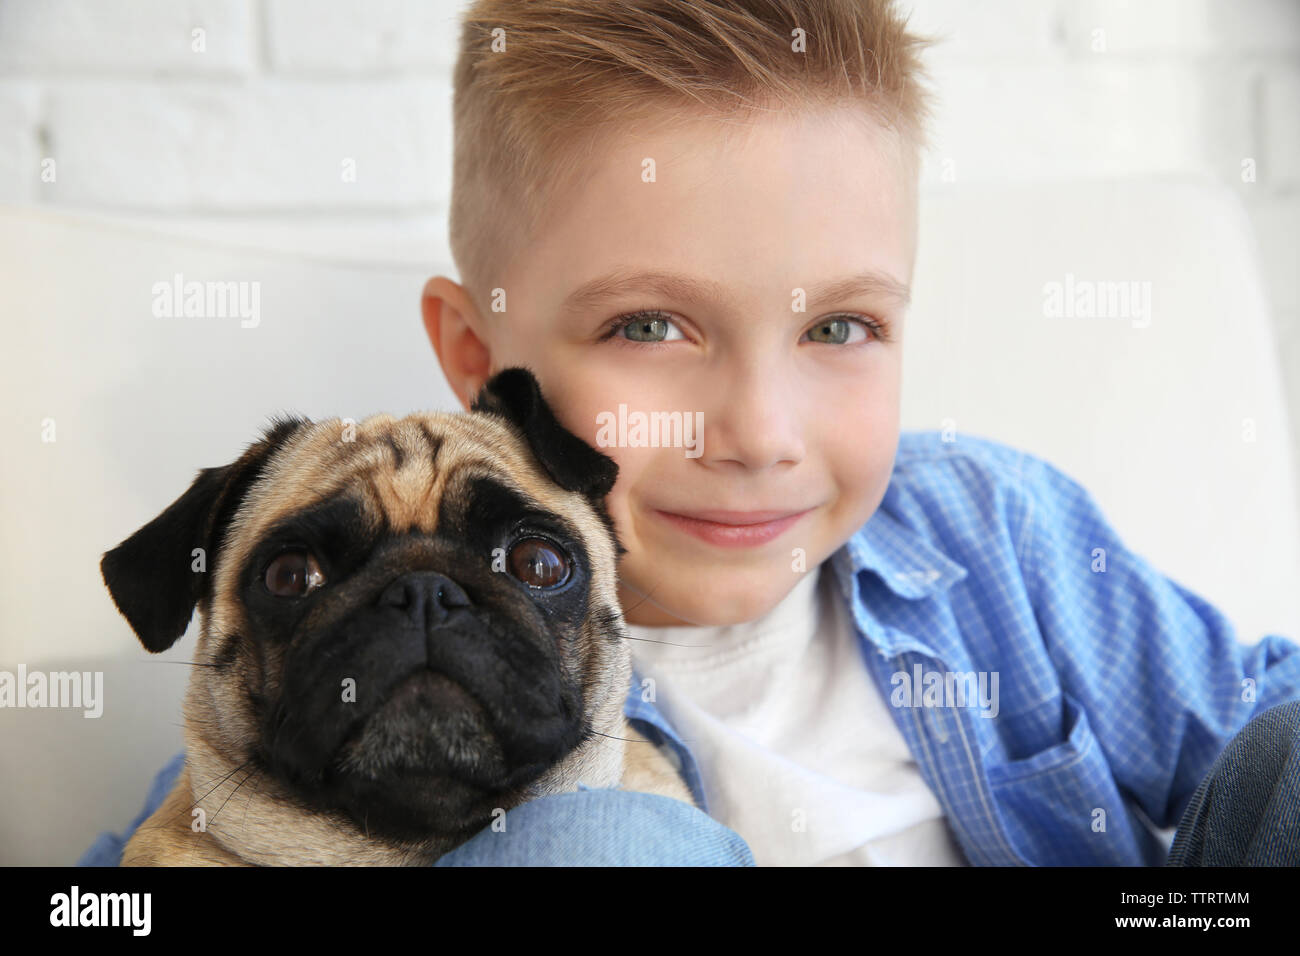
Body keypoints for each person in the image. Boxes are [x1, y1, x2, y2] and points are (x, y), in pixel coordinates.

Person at [80, 0, 1300, 867]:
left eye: (839, 326)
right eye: (652, 324)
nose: (761, 430)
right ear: (474, 360)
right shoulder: (403, 697)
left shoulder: (994, 536)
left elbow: (1261, 735)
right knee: (597, 837)